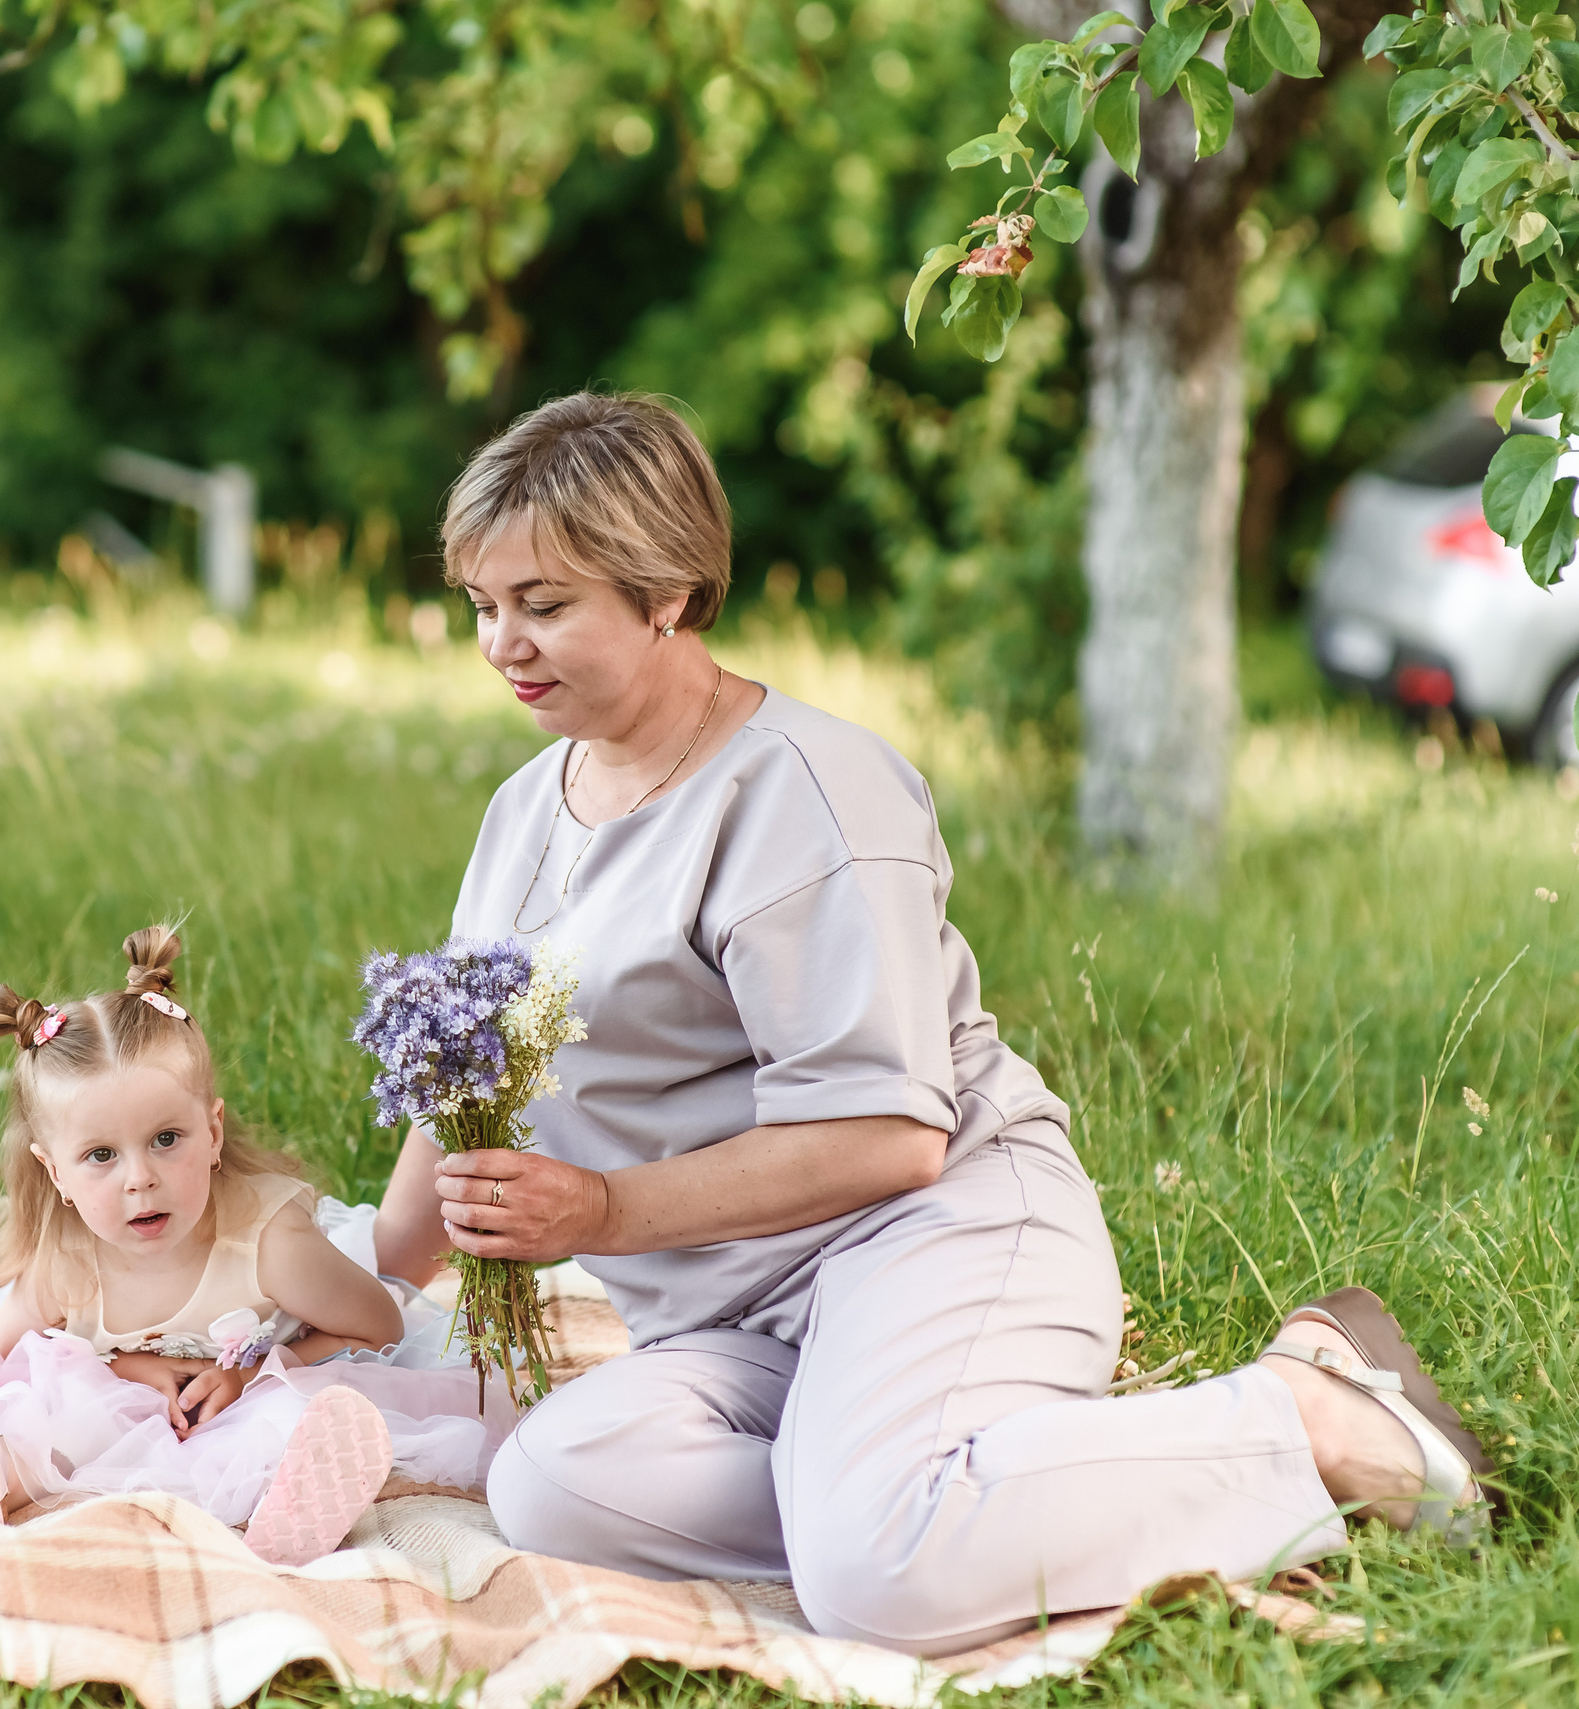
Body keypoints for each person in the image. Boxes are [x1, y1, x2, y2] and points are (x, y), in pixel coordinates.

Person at [371, 391, 1494, 1652]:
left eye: (545, 604)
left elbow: (889, 1137)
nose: (501, 644)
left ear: (668, 591)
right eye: (483, 605)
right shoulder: (529, 807)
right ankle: (937, 1479)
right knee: (554, 1483)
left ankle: (1302, 1412)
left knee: (875, 1578)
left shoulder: (804, 794)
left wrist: (602, 1213)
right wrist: (346, 1300)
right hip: (744, 1318)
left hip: (935, 1232)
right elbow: (458, 1079)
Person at [0, 925, 496, 1566]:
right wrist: (133, 1366)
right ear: (56, 1173)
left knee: (282, 1420)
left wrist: (252, 1372)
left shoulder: (268, 1243)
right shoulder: (68, 1259)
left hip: (249, 1385)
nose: (141, 1178)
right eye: (101, 1155)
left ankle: (292, 1508)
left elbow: (378, 1323)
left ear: (214, 1131)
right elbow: (10, 1353)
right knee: (50, 1403)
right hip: (129, 1388)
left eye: (167, 1139)